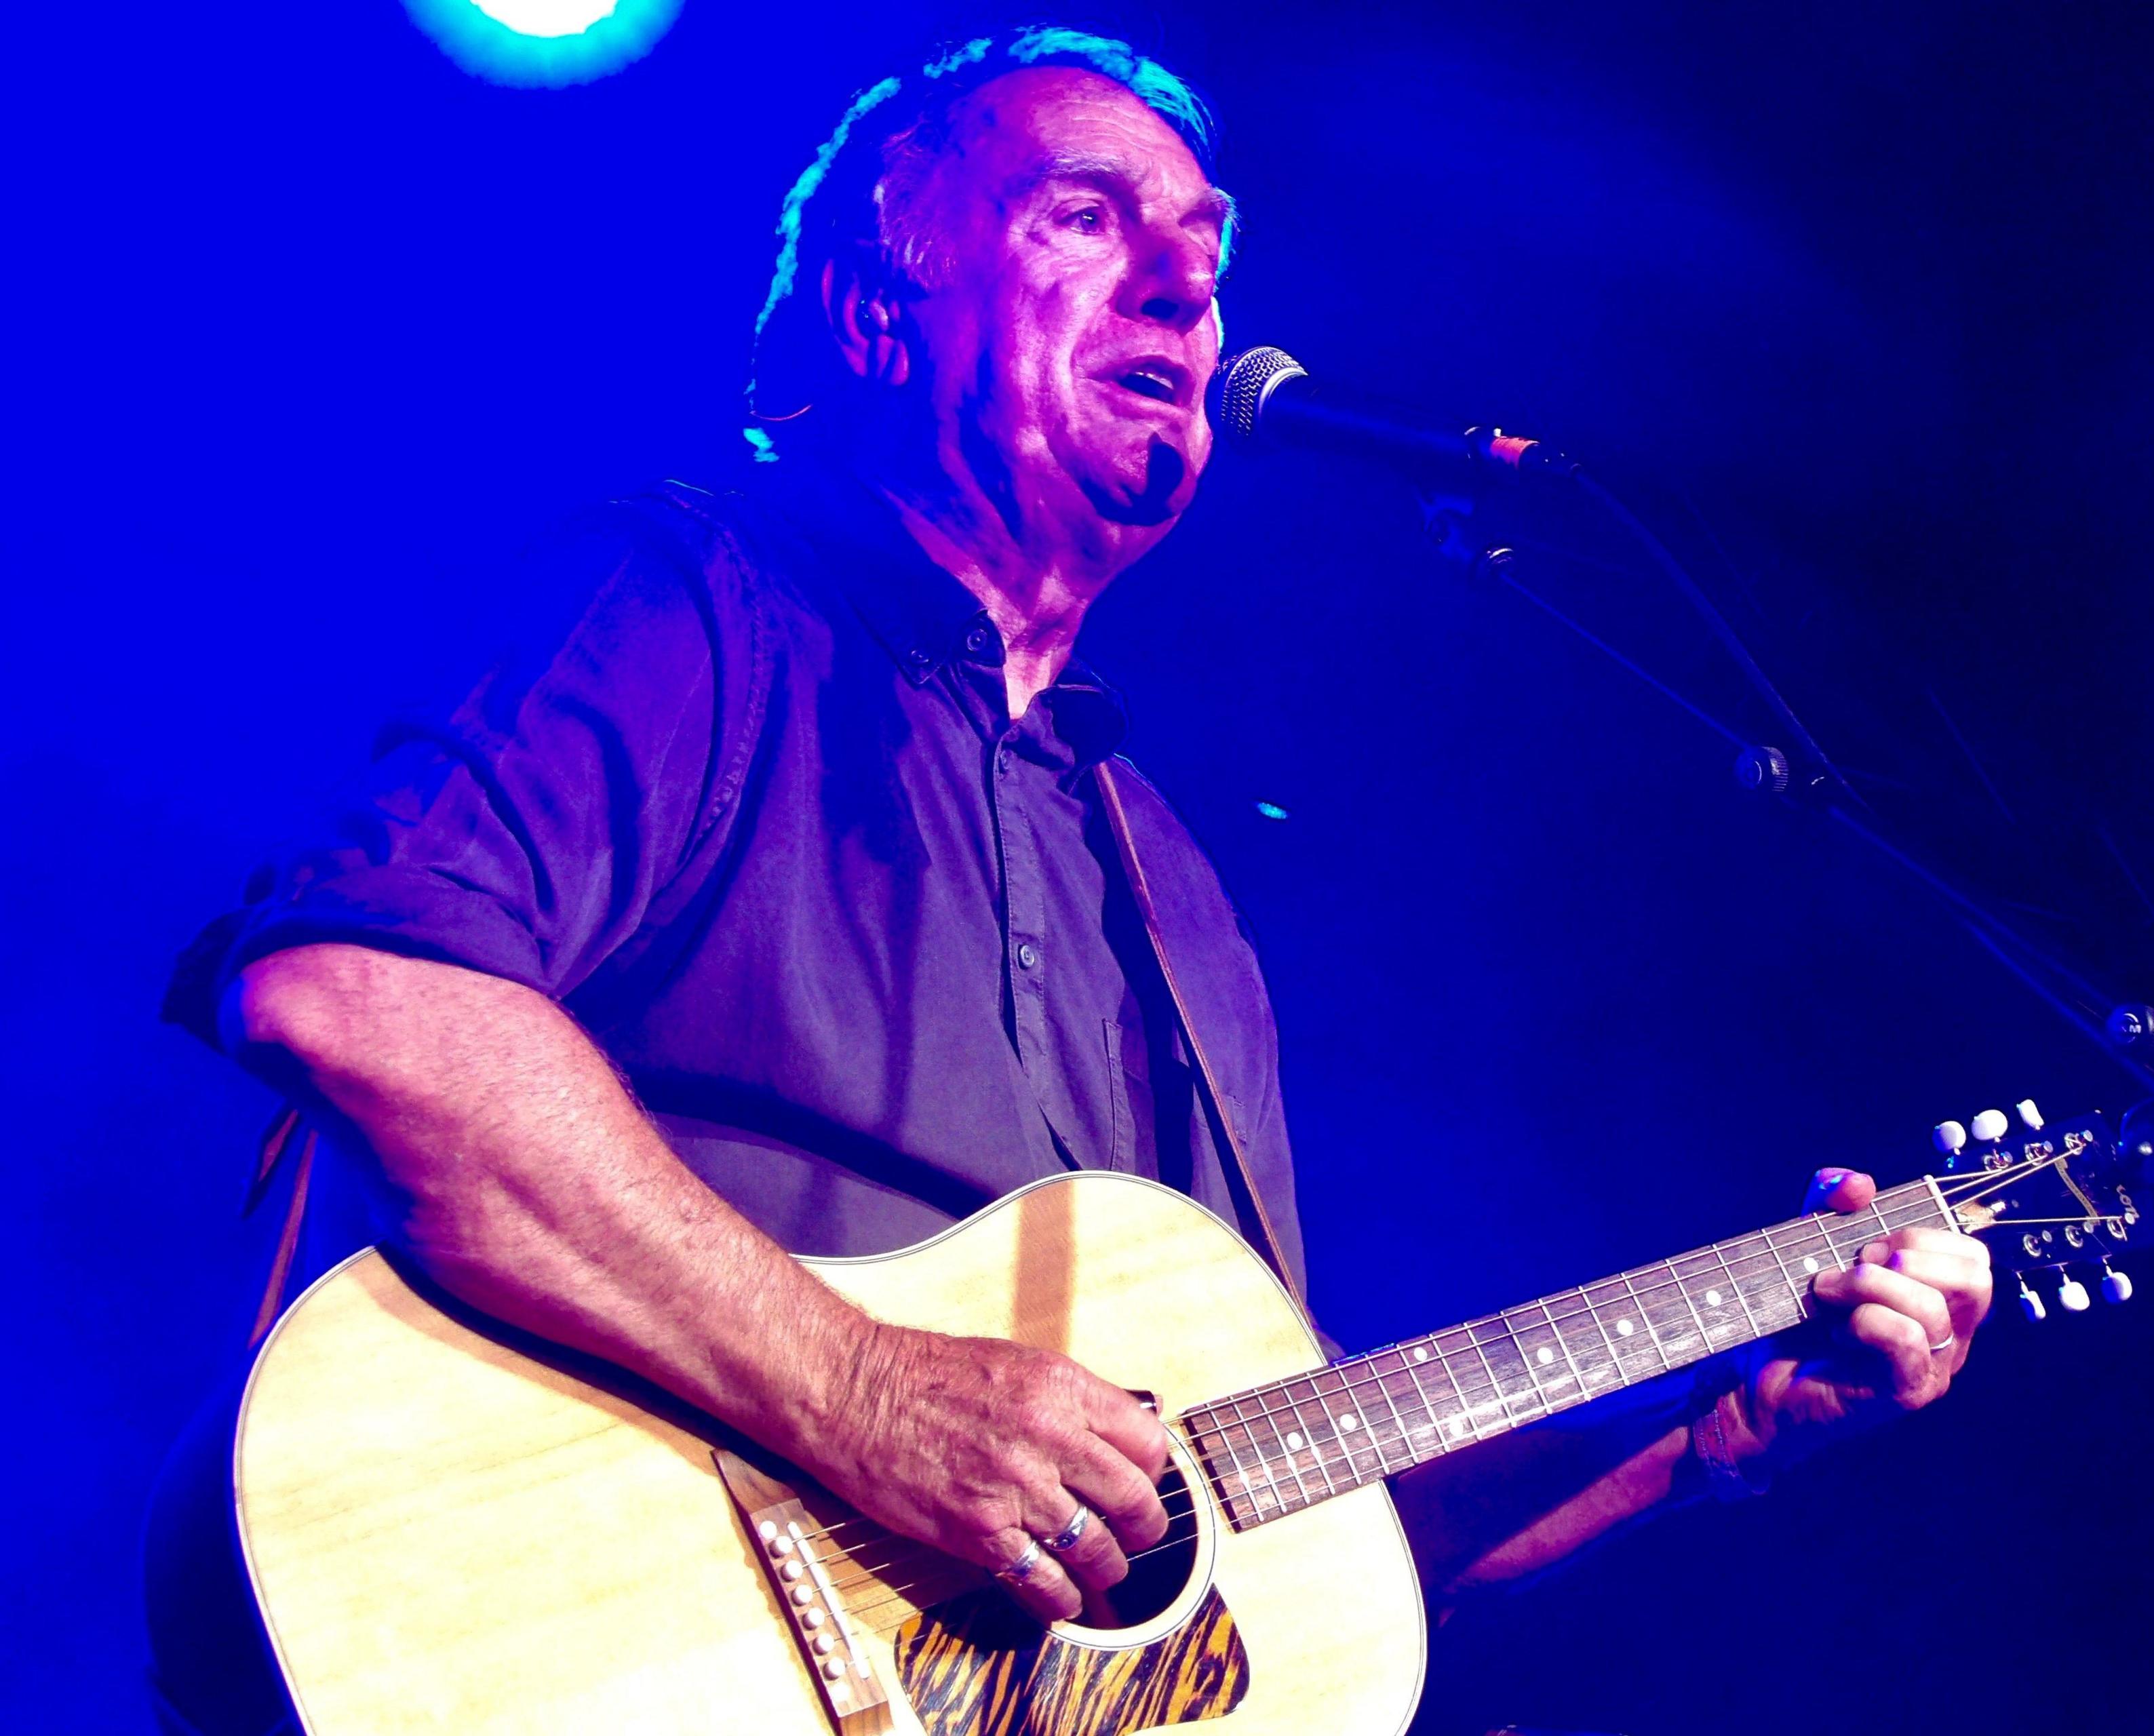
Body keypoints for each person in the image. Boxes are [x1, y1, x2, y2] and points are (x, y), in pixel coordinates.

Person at [146, 26, 1992, 1734]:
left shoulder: (1172, 896)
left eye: (1203, 240)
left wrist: (1705, 1432)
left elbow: (1265, 1518)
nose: (1186, 283)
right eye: (1085, 216)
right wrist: (863, 1396)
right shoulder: (701, 599)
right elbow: (358, 992)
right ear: (878, 318)